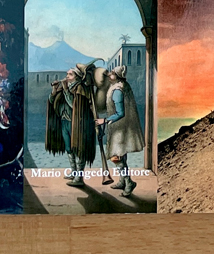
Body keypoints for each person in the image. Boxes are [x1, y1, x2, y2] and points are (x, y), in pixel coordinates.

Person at [45, 64, 99, 188]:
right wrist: (54, 91)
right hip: (64, 122)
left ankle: (79, 177)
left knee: (78, 148)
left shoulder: (80, 88)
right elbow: (52, 101)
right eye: (67, 74)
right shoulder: (66, 87)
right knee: (69, 148)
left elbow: (73, 105)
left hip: (77, 124)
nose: (67, 76)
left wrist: (65, 90)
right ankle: (74, 172)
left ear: (77, 77)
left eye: (70, 74)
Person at [97, 66, 145, 195]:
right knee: (121, 155)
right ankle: (122, 181)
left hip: (119, 128)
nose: (109, 75)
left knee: (115, 156)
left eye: (112, 73)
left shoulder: (117, 90)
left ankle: (129, 182)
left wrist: (104, 120)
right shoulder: (123, 86)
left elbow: (120, 113)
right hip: (122, 127)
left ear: (118, 76)